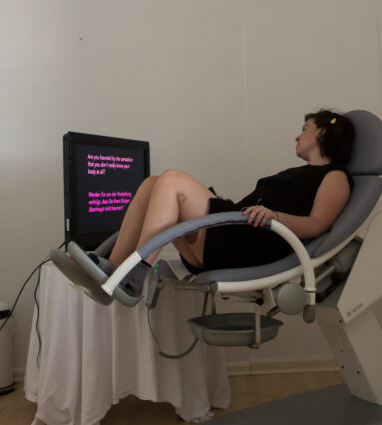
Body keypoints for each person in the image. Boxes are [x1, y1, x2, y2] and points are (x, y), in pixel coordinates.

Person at [95, 109, 355, 293]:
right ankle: (113, 268)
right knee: (153, 183)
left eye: (304, 129)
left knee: (172, 179)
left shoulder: (335, 176)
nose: (298, 137)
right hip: (231, 232)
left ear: (322, 132)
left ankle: (134, 274)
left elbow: (318, 224)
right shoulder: (302, 173)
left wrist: (275, 217)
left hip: (247, 241)